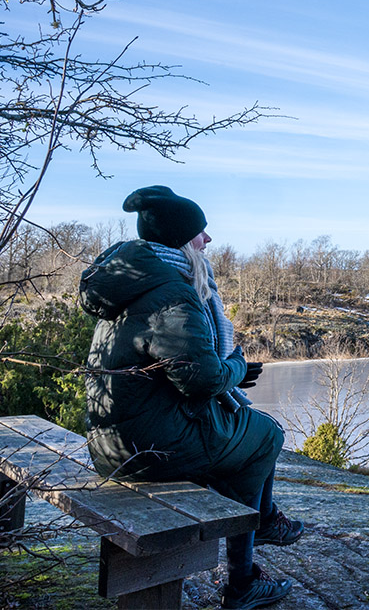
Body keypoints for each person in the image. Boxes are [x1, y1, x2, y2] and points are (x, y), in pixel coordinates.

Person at [81, 186, 304, 610]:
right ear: (182, 240)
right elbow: (201, 382)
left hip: (115, 442)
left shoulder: (129, 284)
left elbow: (179, 369)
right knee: (266, 436)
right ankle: (244, 578)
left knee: (245, 442)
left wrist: (228, 374)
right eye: (201, 233)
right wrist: (236, 366)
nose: (208, 240)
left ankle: (262, 531)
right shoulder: (172, 293)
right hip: (149, 449)